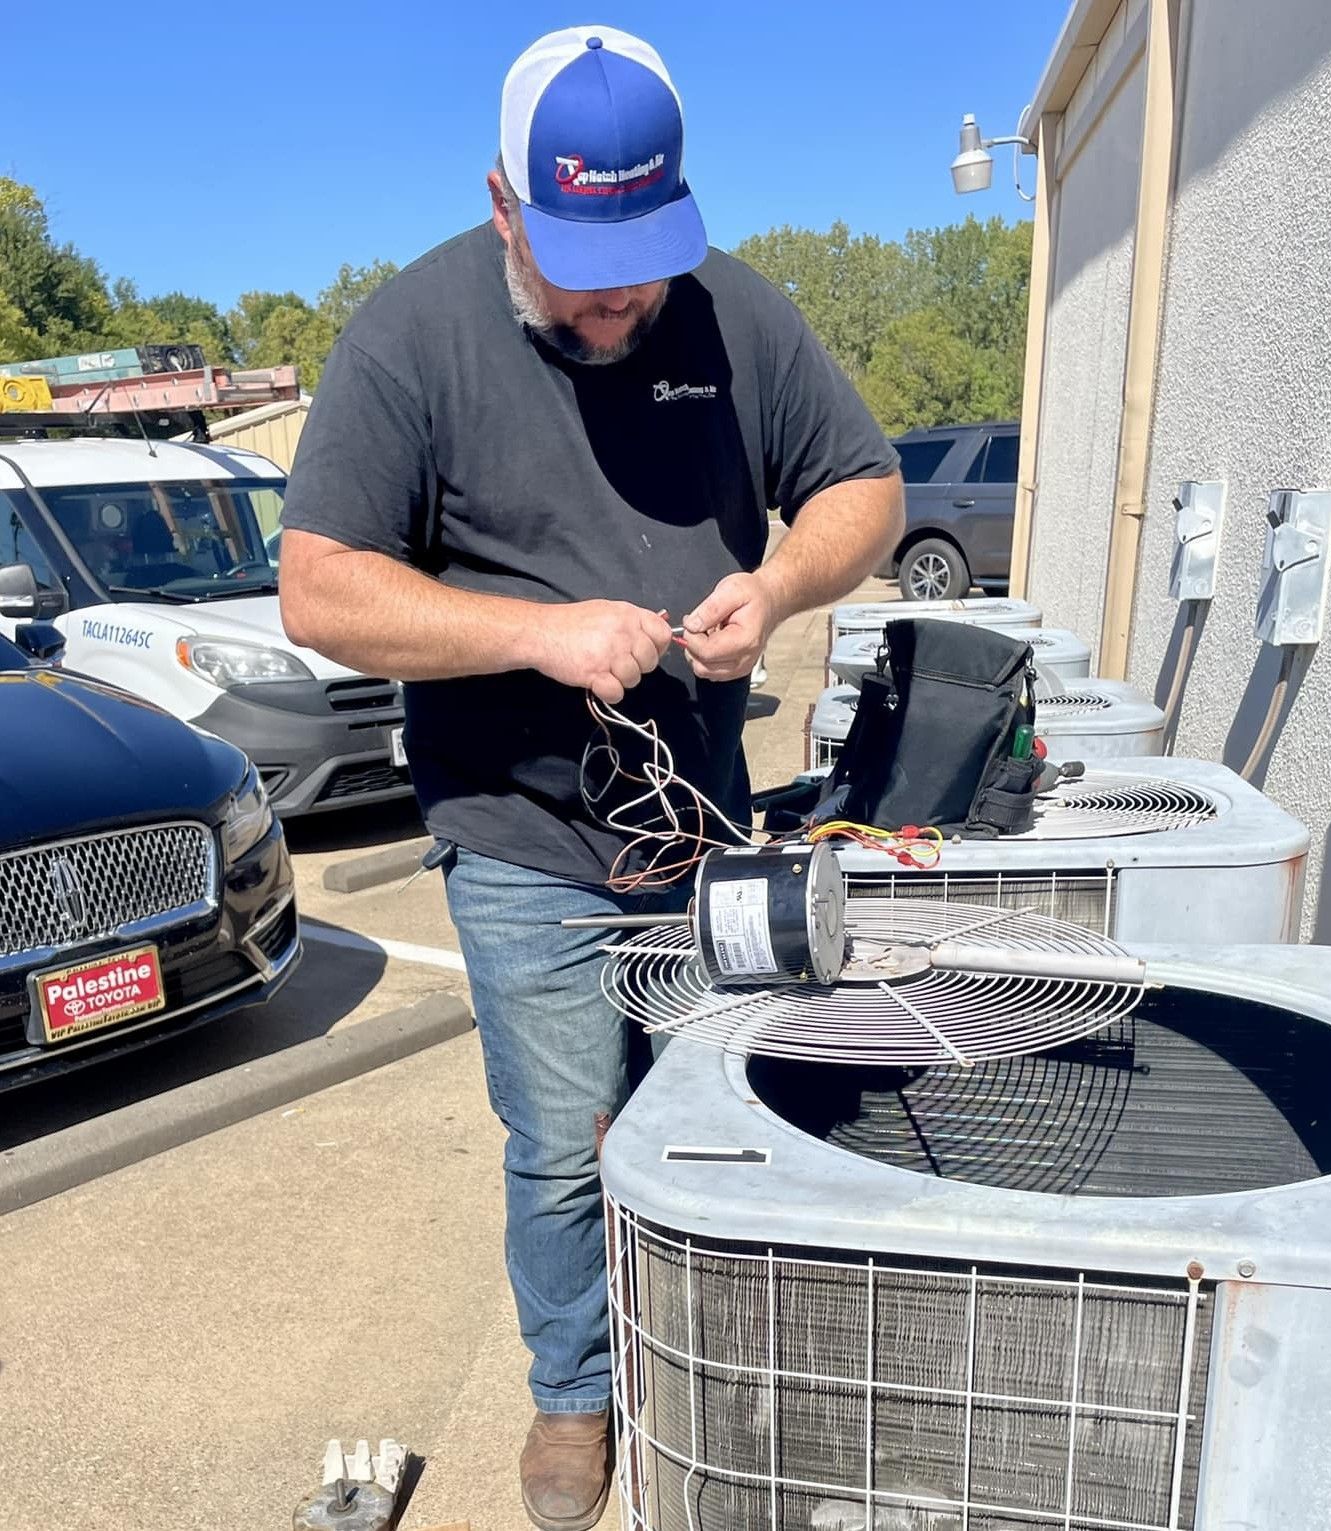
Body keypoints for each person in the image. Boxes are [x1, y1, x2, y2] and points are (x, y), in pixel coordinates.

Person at [279, 24, 904, 1531]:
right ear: (505, 205)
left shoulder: (734, 315)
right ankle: (572, 1393)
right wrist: (532, 634)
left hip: (699, 834)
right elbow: (319, 590)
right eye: (579, 259)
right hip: (520, 837)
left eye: (644, 255)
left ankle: (727, 1354)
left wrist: (778, 583)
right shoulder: (410, 336)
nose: (622, 294)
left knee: (728, 1107)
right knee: (565, 1142)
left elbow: (863, 487)